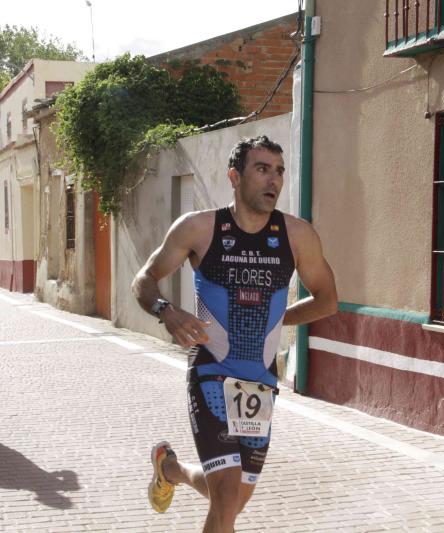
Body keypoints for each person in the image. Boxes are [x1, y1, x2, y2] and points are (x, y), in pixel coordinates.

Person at [132, 135, 338, 532]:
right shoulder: (199, 228)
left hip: (258, 384)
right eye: (262, 170)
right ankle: (174, 470)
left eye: (278, 171)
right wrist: (166, 310)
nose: (273, 180)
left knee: (230, 499)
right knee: (226, 497)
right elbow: (145, 279)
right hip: (211, 372)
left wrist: (277, 322)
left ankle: (170, 469)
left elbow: (327, 300)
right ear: (234, 176)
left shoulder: (297, 236)